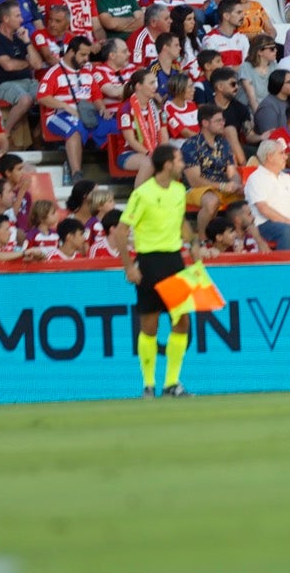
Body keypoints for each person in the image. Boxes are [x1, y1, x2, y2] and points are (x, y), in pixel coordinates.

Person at [109, 144, 192, 398]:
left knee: (182, 323)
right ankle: (148, 384)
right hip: (150, 262)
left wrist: (195, 244)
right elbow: (121, 232)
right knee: (150, 326)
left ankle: (172, 383)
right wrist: (128, 266)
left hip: (175, 261)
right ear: (167, 164)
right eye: (179, 160)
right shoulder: (142, 194)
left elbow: (181, 222)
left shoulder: (179, 190)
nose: (182, 164)